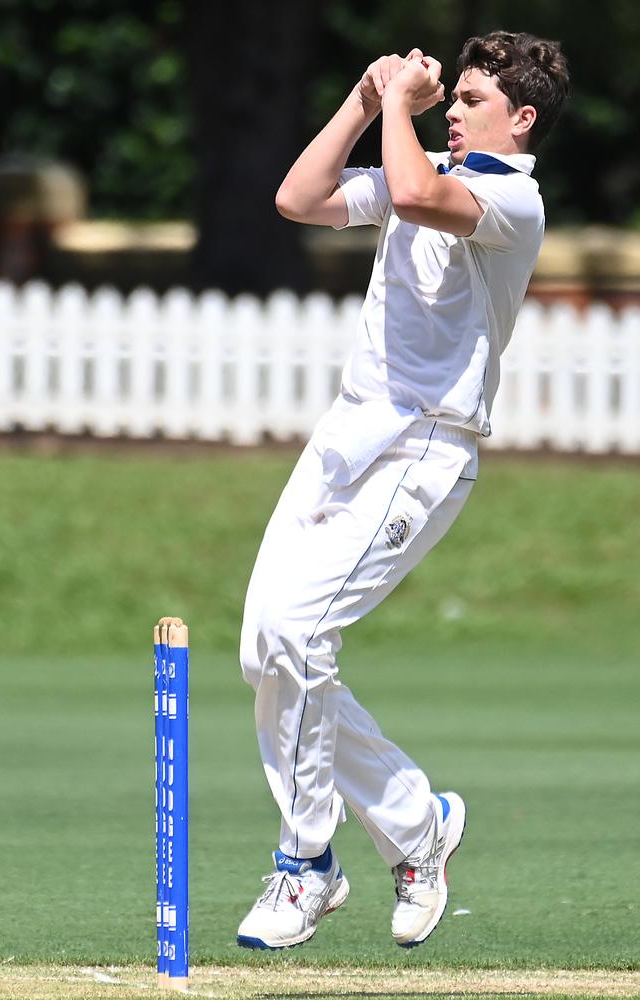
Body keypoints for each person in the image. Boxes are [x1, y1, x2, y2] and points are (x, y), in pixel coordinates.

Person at [237, 31, 569, 951]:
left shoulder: (511, 198)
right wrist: (363, 96)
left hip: (425, 447)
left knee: (303, 634)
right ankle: (417, 825)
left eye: (470, 100)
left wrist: (400, 110)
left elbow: (421, 195)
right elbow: (298, 198)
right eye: (450, 98)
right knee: (269, 643)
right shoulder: (414, 156)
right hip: (349, 435)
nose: (452, 112)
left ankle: (307, 868)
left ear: (521, 117)